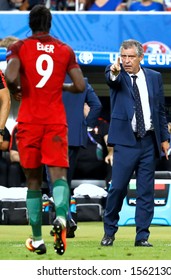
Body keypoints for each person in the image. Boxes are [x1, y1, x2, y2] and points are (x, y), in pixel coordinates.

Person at [5, 5, 85, 256]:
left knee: (33, 181)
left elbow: (9, 75)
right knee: (59, 175)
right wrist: (63, 87)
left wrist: (17, 87)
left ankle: (37, 238)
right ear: (50, 24)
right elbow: (81, 85)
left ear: (30, 24)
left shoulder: (19, 47)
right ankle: (61, 217)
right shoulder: (64, 50)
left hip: (29, 122)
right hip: (55, 121)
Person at [100, 39, 170, 247]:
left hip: (149, 141)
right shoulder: (116, 74)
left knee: (146, 191)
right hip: (124, 142)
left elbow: (160, 111)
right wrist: (114, 70)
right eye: (123, 56)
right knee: (118, 188)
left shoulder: (154, 77)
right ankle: (109, 232)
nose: (126, 61)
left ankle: (142, 237)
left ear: (141, 57)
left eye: (131, 57)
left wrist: (165, 138)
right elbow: (111, 79)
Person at [48, 77, 103, 238]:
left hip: (53, 137)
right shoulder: (83, 81)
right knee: (65, 181)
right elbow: (97, 105)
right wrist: (86, 125)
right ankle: (68, 219)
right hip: (74, 139)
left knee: (56, 182)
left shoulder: (50, 80)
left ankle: (64, 220)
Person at [72, 111, 113, 186]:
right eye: (86, 104)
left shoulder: (101, 124)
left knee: (113, 157)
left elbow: (109, 143)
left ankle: (111, 189)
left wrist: (111, 153)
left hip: (99, 169)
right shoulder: (72, 124)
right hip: (76, 167)